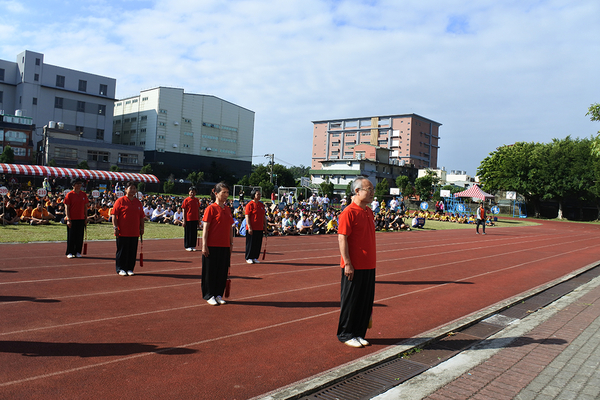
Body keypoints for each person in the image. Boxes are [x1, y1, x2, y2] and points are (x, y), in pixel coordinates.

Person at [337, 176, 376, 348]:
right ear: (357, 191)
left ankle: (359, 333)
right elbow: (342, 238)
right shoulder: (348, 212)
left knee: (365, 301)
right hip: (354, 265)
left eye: (372, 190)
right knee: (351, 300)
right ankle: (346, 333)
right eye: (369, 189)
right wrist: (347, 263)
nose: (372, 193)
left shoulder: (369, 212)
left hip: (369, 264)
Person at [201, 182, 234, 306]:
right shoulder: (210, 208)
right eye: (223, 192)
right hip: (212, 245)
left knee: (222, 271)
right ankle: (209, 294)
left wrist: (231, 243)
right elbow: (205, 228)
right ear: (216, 193)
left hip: (224, 245)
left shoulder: (227, 209)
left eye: (227, 192)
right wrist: (204, 245)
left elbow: (230, 227)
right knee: (210, 271)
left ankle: (218, 294)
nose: (226, 195)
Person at [112, 182, 145, 276]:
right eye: (131, 188)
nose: (133, 190)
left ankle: (130, 268)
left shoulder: (138, 202)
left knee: (132, 251)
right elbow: (114, 215)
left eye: (135, 188)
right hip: (122, 231)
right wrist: (115, 227)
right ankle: (120, 268)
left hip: (134, 231)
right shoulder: (120, 201)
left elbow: (141, 217)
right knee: (122, 250)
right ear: (125, 189)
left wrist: (142, 228)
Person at [64, 178, 89, 259]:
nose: (79, 185)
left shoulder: (83, 194)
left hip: (81, 218)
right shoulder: (69, 195)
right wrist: (68, 219)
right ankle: (70, 251)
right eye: (77, 183)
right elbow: (67, 208)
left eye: (80, 183)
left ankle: (78, 251)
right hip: (72, 218)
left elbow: (85, 207)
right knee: (71, 236)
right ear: (73, 185)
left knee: (79, 236)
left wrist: (86, 218)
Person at [245, 188, 267, 264]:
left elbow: (263, 216)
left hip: (259, 227)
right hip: (252, 227)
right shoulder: (249, 205)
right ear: (253, 195)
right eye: (258, 194)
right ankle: (248, 257)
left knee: (258, 243)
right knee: (250, 243)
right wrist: (249, 227)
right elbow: (247, 216)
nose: (259, 196)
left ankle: (255, 257)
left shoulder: (261, 205)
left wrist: (265, 226)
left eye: (260, 194)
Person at [181, 186, 200, 251]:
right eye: (191, 192)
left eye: (194, 192)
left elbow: (198, 210)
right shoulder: (186, 200)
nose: (192, 193)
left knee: (194, 232)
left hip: (195, 218)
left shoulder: (197, 200)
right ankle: (187, 245)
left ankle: (193, 245)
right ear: (189, 192)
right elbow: (183, 209)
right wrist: (184, 220)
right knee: (188, 232)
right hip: (188, 218)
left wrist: (199, 219)